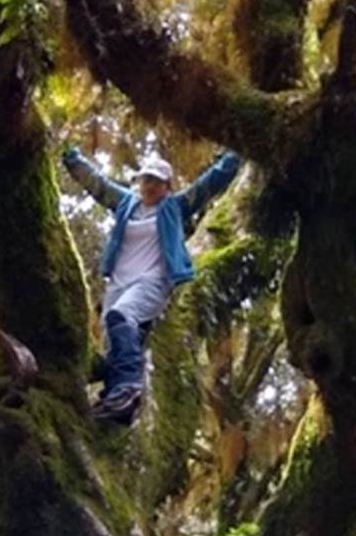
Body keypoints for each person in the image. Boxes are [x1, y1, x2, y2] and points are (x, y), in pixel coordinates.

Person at [58, 140, 244, 424]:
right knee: (112, 341)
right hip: (119, 281)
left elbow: (210, 183)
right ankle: (116, 403)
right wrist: (72, 159)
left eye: (156, 182)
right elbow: (97, 184)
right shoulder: (126, 203)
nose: (149, 186)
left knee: (123, 316)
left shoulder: (174, 207)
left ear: (167, 186)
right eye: (146, 179)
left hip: (153, 280)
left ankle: (129, 388)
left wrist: (238, 151)